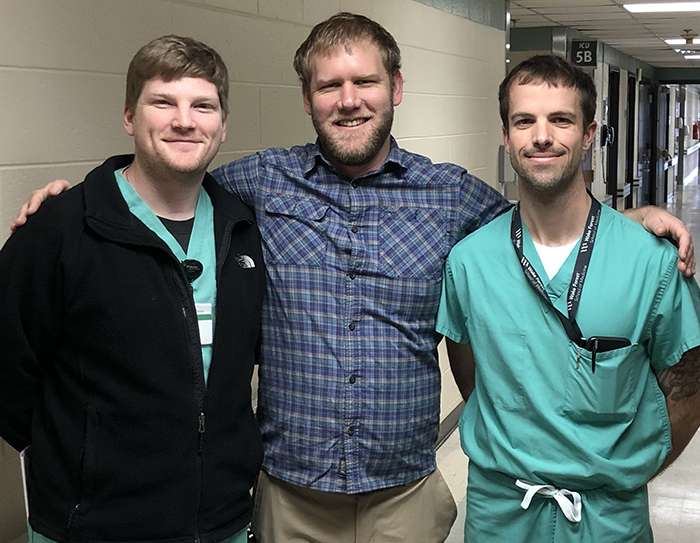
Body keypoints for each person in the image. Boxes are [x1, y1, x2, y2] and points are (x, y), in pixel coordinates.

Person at [9, 14, 697, 543]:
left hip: (404, 495)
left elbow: (546, 214)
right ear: (307, 99)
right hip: (286, 498)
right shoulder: (254, 185)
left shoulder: (453, 197)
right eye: (328, 85)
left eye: (365, 82)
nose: (349, 100)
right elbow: (167, 172)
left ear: (395, 88)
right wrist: (77, 201)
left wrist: (627, 218)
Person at [0, 35, 265, 543]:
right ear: (129, 116)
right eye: (162, 101)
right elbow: (8, 372)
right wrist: (78, 456)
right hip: (93, 526)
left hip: (221, 521)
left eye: (202, 105)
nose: (184, 120)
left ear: (224, 124)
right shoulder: (61, 229)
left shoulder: (244, 231)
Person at [436, 54, 700, 543]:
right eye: (524, 121)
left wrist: (626, 475)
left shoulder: (651, 263)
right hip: (502, 517)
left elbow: (688, 391)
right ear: (506, 134)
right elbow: (472, 375)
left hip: (607, 520)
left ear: (589, 134)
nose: (541, 136)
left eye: (561, 119)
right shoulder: (470, 262)